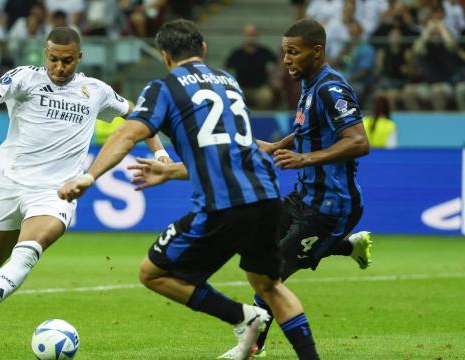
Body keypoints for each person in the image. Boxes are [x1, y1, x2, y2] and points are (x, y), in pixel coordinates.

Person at [58, 19, 320, 360]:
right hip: (268, 197)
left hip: (223, 205)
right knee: (268, 284)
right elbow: (228, 147)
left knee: (152, 273)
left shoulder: (164, 87)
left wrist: (89, 176)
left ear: (165, 56)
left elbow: (127, 134)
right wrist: (169, 171)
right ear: (204, 50)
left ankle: (242, 317)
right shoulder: (228, 82)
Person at [0, 27, 170, 345]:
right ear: (45, 55)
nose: (60, 67)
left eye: (67, 60)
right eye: (53, 59)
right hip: (13, 185)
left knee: (26, 254)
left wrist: (160, 153)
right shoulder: (23, 78)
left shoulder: (96, 91)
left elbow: (140, 119)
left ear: (79, 57)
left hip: (57, 192)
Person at [126, 19, 372, 358]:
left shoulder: (331, 88)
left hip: (331, 207)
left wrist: (306, 159)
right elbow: (306, 133)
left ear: (317, 52)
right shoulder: (310, 87)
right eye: (285, 51)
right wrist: (279, 146)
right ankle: (345, 248)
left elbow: (359, 141)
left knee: (271, 281)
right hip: (302, 199)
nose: (286, 59)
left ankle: (252, 344)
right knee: (264, 270)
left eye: (293, 52)